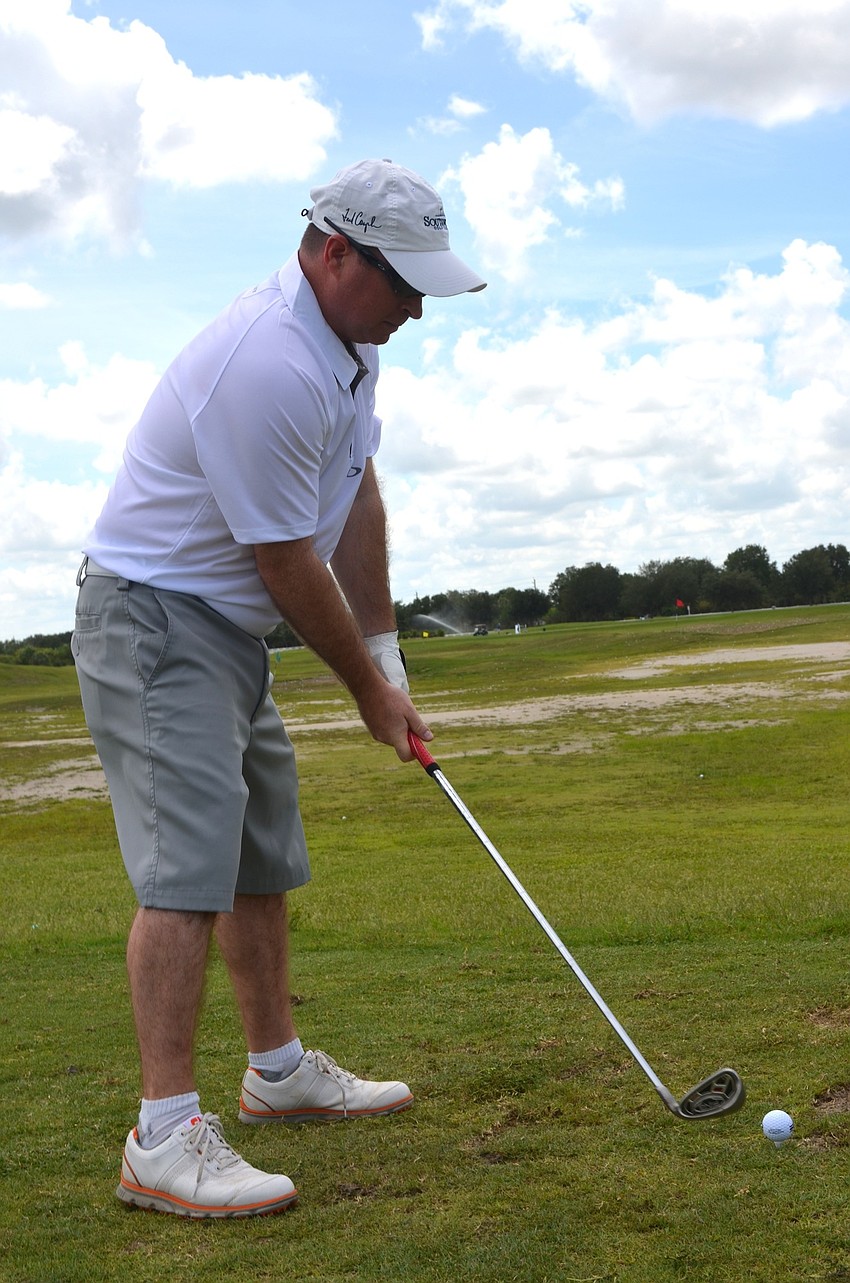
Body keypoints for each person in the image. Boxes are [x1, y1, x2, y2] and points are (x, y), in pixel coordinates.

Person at [72, 158, 486, 1219]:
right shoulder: (266, 360)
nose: (416, 310)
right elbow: (284, 557)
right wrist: (365, 696)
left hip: (225, 625)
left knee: (259, 851)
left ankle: (278, 1070)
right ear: (334, 251)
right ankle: (161, 1137)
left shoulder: (349, 348)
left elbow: (352, 501)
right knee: (185, 871)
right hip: (157, 616)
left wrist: (387, 651)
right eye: (405, 285)